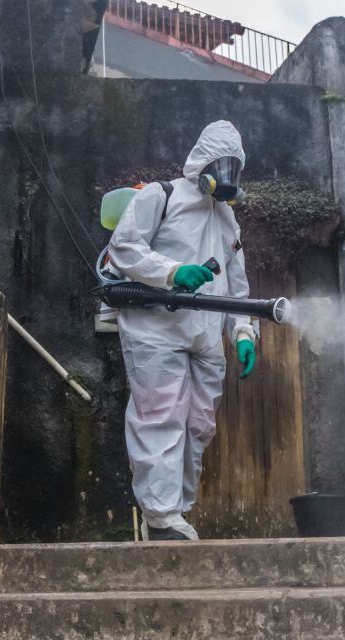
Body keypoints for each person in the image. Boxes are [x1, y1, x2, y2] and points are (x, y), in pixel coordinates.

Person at [108, 120, 258, 541]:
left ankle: (177, 514)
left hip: (207, 337)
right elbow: (124, 247)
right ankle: (160, 519)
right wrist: (173, 271)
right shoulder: (162, 195)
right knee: (161, 417)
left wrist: (243, 333)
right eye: (221, 164)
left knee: (198, 426)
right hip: (156, 330)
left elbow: (238, 286)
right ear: (202, 162)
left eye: (235, 167)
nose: (228, 174)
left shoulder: (229, 220)